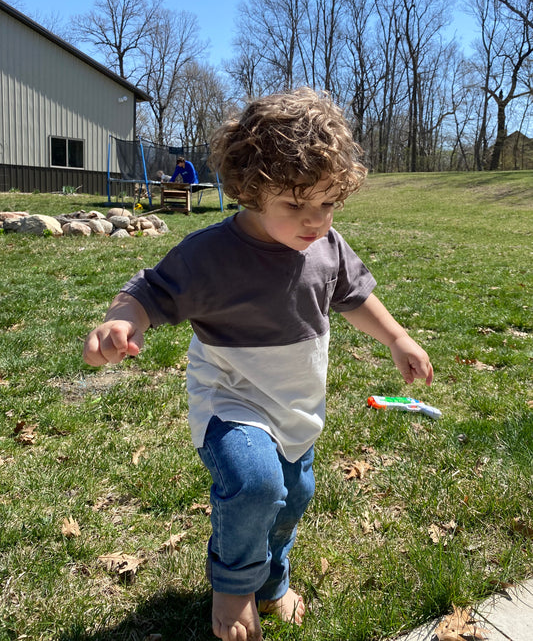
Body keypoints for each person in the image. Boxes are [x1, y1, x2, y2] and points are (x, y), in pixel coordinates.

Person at [83, 87, 433, 641]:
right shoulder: (210, 256)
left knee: (293, 497)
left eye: (327, 203)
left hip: (296, 405)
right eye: (295, 205)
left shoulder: (327, 245)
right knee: (254, 485)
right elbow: (149, 291)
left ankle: (271, 580)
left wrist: (396, 337)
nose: (314, 220)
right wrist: (121, 321)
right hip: (232, 400)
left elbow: (354, 296)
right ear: (250, 190)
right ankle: (233, 588)